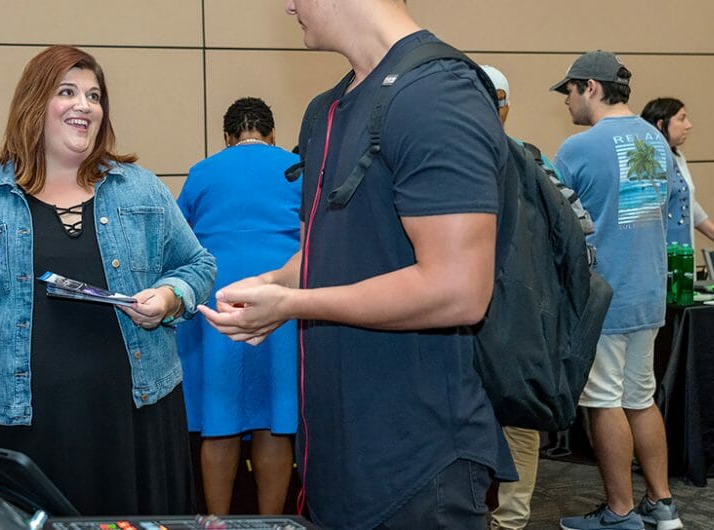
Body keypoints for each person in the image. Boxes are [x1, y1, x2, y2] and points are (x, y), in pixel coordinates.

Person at [200, 1, 514, 528]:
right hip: (336, 459)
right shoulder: (328, 108)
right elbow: (327, 251)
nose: (289, 5)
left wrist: (293, 303)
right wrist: (273, 283)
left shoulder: (436, 94)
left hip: (418, 464)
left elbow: (458, 288)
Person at [0, 45, 216, 516]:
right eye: (68, 92)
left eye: (94, 96)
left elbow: (198, 266)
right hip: (15, 426)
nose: (85, 105)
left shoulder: (140, 188)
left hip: (132, 419)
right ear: (35, 103)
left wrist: (170, 297)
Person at [550, 50, 684, 530]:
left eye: (569, 90)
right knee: (640, 398)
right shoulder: (656, 139)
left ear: (590, 87)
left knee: (604, 401)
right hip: (648, 293)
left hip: (603, 298)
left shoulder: (578, 148)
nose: (566, 100)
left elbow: (557, 224)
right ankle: (661, 504)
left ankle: (620, 512)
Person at [479, 64, 596, 530]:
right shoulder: (533, 159)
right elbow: (579, 232)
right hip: (517, 316)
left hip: (489, 314)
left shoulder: (460, 158)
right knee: (516, 419)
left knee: (506, 419)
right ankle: (508, 520)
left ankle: (501, 519)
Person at [176, 97, 301, 515]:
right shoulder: (295, 168)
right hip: (280, 297)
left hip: (220, 299)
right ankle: (272, 523)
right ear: (272, 134)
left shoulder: (202, 171)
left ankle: (216, 523)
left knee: (220, 420)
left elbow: (179, 237)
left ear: (227, 137)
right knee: (275, 420)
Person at [640, 98, 714, 252]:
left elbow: (688, 204)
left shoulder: (678, 157)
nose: (688, 125)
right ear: (660, 124)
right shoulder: (646, 162)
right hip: (657, 253)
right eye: (681, 119)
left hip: (683, 249)